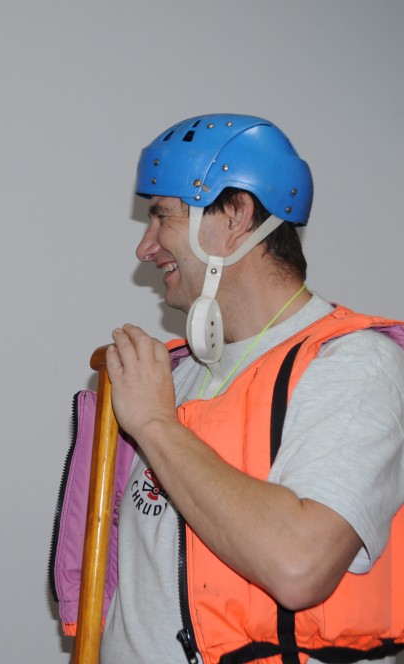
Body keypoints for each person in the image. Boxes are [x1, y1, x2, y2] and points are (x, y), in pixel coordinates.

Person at [100, 115, 404, 663]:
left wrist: (155, 424)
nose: (145, 247)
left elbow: (299, 566)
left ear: (237, 215)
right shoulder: (177, 376)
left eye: (162, 215)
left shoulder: (356, 367)